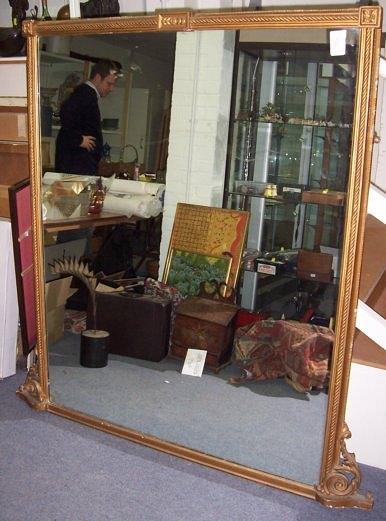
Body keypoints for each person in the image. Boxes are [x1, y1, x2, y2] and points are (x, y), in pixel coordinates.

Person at [55, 59, 122, 175]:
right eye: (109, 84)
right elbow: (66, 112)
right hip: (77, 164)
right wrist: (78, 140)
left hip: (79, 163)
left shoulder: (86, 94)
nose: (111, 89)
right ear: (97, 78)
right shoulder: (85, 94)